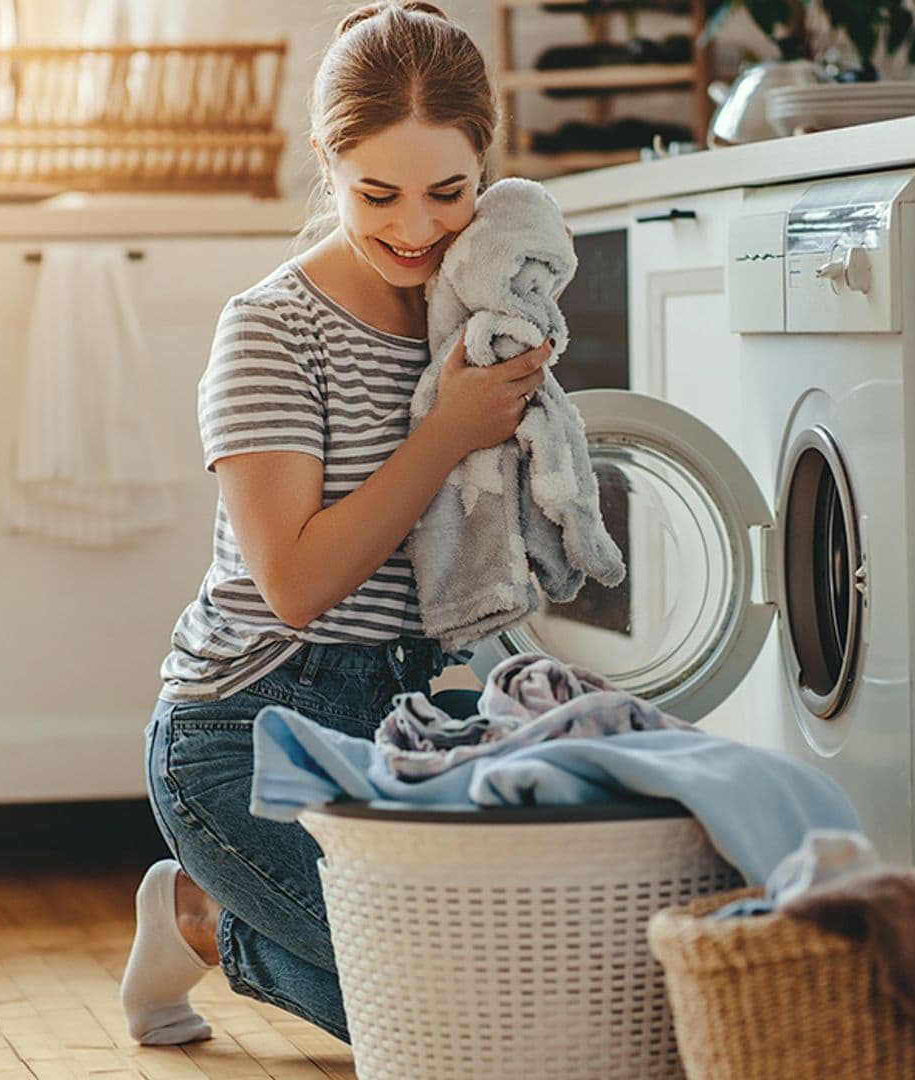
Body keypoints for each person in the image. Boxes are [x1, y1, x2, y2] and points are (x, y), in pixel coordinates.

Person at [118, 1, 558, 1047]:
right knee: (455, 1032)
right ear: (326, 160)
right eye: (378, 194)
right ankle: (200, 908)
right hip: (246, 735)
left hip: (408, 722)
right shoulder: (272, 329)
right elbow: (299, 587)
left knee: (545, 984)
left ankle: (226, 918)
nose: (415, 229)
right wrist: (445, 431)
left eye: (449, 194)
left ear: (487, 168)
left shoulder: (485, 311)